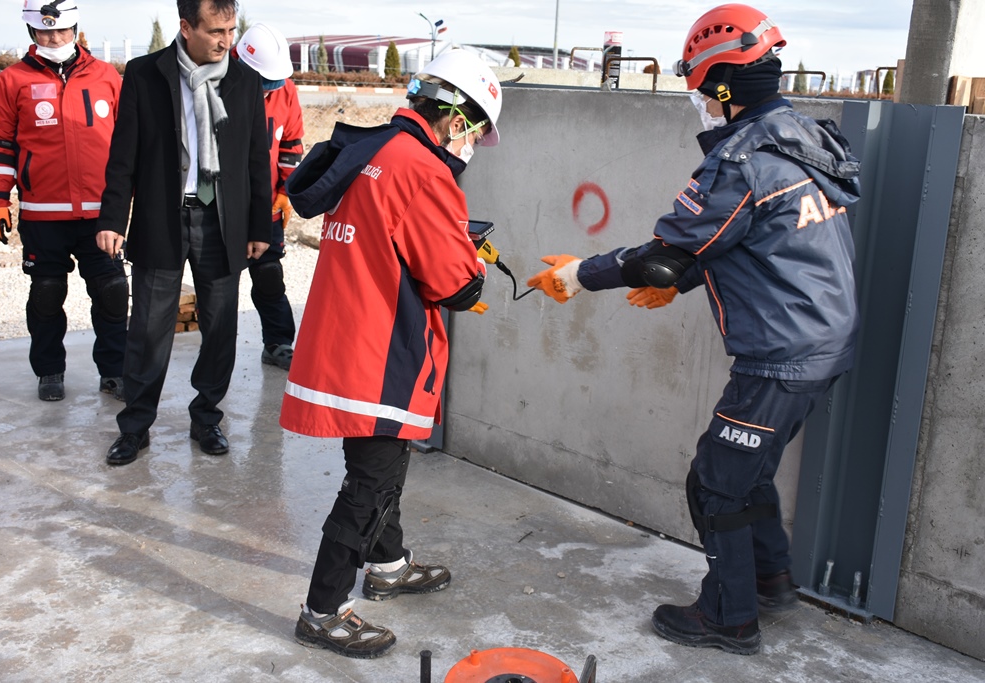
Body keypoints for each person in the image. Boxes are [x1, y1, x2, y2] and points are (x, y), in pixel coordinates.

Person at [527, 4, 860, 655]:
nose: (702, 103)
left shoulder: (741, 162)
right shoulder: (800, 138)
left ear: (726, 87)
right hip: (827, 346)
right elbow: (756, 239)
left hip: (780, 358)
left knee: (713, 480)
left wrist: (577, 275)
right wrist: (679, 280)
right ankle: (771, 578)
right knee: (748, 468)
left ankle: (729, 615)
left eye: (706, 90)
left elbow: (660, 253)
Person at [279, 49, 502, 658]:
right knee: (370, 483)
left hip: (348, 336)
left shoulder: (373, 149)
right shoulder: (426, 171)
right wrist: (471, 259)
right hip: (381, 353)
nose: (474, 145)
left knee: (383, 467)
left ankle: (388, 563)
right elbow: (455, 285)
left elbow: (388, 237)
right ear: (457, 119)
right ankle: (323, 610)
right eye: (477, 131)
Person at [96, 0, 270, 466]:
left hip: (223, 223)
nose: (226, 41)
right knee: (148, 330)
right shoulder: (144, 75)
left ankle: (207, 418)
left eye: (231, 30)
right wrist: (113, 219)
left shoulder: (245, 81)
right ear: (185, 27)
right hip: (162, 218)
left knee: (220, 330)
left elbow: (257, 160)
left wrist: (260, 226)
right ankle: (135, 427)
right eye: (216, 31)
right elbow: (123, 154)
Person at [0, 0, 126, 402]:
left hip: (101, 214)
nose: (55, 38)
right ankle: (49, 371)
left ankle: (115, 371)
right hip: (43, 214)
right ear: (32, 31)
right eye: (45, 31)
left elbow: (126, 145)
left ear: (76, 28)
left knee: (112, 292)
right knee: (47, 294)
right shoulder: (11, 81)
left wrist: (129, 202)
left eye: (62, 31)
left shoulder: (105, 76)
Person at [232, 22, 302, 371]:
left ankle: (278, 343)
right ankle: (217, 350)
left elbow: (290, 145)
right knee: (220, 285)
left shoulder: (285, 91)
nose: (270, 89)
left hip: (266, 206)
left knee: (269, 275)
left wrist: (284, 192)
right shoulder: (217, 82)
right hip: (222, 209)